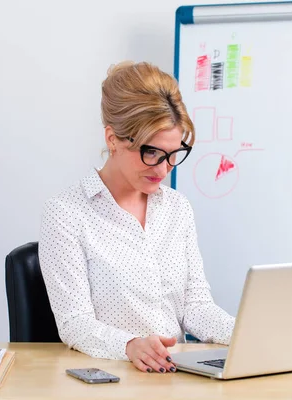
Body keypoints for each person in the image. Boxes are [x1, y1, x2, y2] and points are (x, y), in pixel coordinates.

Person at [38, 61, 235, 374]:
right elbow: (73, 323)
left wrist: (245, 333)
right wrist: (130, 345)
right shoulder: (66, 212)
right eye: (151, 153)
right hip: (112, 378)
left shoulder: (177, 208)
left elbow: (196, 307)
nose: (162, 169)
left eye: (173, 155)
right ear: (113, 139)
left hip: (176, 378)